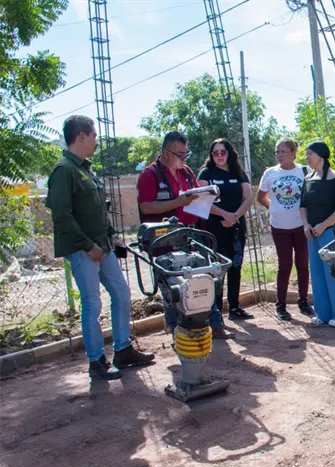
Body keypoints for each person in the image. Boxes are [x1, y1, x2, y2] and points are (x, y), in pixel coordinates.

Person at [46, 115, 155, 381]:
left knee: (121, 293)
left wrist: (110, 237)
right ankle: (96, 361)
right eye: (93, 135)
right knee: (92, 305)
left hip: (103, 246)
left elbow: (96, 210)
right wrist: (87, 245)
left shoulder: (85, 169)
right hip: (84, 249)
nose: (96, 141)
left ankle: (123, 350)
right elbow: (61, 216)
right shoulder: (64, 170)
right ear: (81, 136)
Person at [137, 131, 233, 339]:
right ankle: (177, 332)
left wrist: (206, 196)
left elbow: (193, 197)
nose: (183, 158)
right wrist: (177, 203)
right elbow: (146, 207)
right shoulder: (149, 175)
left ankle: (214, 324)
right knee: (172, 286)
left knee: (206, 278)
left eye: (185, 154)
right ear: (165, 152)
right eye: (179, 154)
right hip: (165, 238)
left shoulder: (188, 172)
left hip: (192, 234)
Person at [197, 138, 255, 321]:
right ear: (211, 155)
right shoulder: (206, 173)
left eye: (223, 152)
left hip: (236, 228)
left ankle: (234, 307)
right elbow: (202, 200)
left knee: (235, 266)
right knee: (216, 269)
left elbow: (248, 198)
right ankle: (215, 311)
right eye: (216, 153)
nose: (219, 156)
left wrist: (235, 216)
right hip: (214, 229)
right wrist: (224, 215)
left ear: (229, 153)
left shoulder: (238, 173)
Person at [257, 138, 314, 321]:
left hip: (300, 225)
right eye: (277, 152)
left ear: (293, 152)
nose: (279, 155)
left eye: (283, 151)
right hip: (279, 226)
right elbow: (261, 197)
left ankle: (303, 301)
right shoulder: (270, 173)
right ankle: (280, 305)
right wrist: (274, 209)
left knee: (303, 264)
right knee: (285, 265)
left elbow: (312, 196)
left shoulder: (304, 171)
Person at [299, 141, 335, 327]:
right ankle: (323, 313)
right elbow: (302, 206)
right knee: (318, 274)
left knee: (334, 273)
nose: (307, 157)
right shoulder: (307, 179)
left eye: (309, 153)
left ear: (321, 155)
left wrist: (323, 225)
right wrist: (306, 226)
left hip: (333, 233)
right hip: (312, 234)